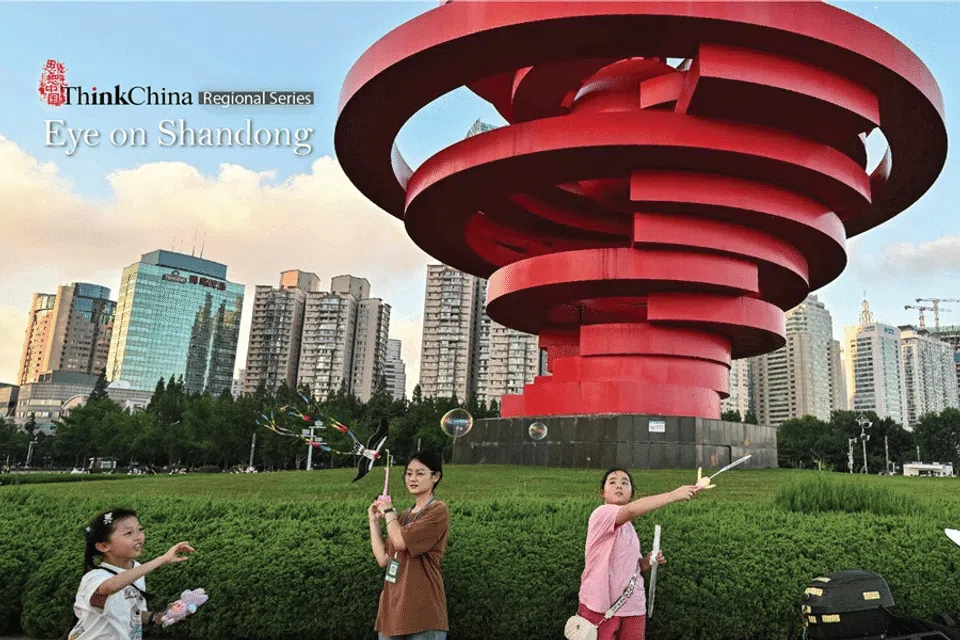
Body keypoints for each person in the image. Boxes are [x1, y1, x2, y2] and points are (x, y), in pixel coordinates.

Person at [576, 469, 699, 640]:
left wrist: (648, 562)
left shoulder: (629, 529)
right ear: (602, 493)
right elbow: (630, 511)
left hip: (633, 607)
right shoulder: (601, 514)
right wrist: (672, 495)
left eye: (625, 483)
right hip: (600, 607)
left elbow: (634, 567)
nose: (619, 485)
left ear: (631, 494)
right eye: (612, 482)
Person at [67, 508, 194, 640]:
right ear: (104, 546)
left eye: (140, 529)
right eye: (128, 533)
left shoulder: (136, 569)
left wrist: (161, 617)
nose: (139, 537)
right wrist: (161, 559)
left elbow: (132, 612)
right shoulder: (94, 578)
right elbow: (108, 589)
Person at [368, 451, 449, 640]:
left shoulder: (437, 511)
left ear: (435, 477)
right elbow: (383, 559)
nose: (412, 478)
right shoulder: (403, 516)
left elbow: (401, 542)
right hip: (392, 613)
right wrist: (373, 521)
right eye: (409, 473)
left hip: (423, 614)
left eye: (420, 473)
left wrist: (388, 510)